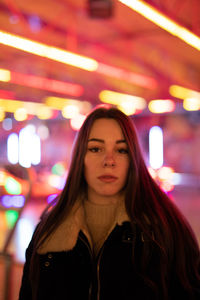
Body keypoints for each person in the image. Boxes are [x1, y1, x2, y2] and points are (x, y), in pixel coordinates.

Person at [19, 105, 200, 300]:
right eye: (96, 148)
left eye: (121, 150)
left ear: (133, 160)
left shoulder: (165, 230)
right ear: (81, 157)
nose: (109, 161)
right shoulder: (48, 231)